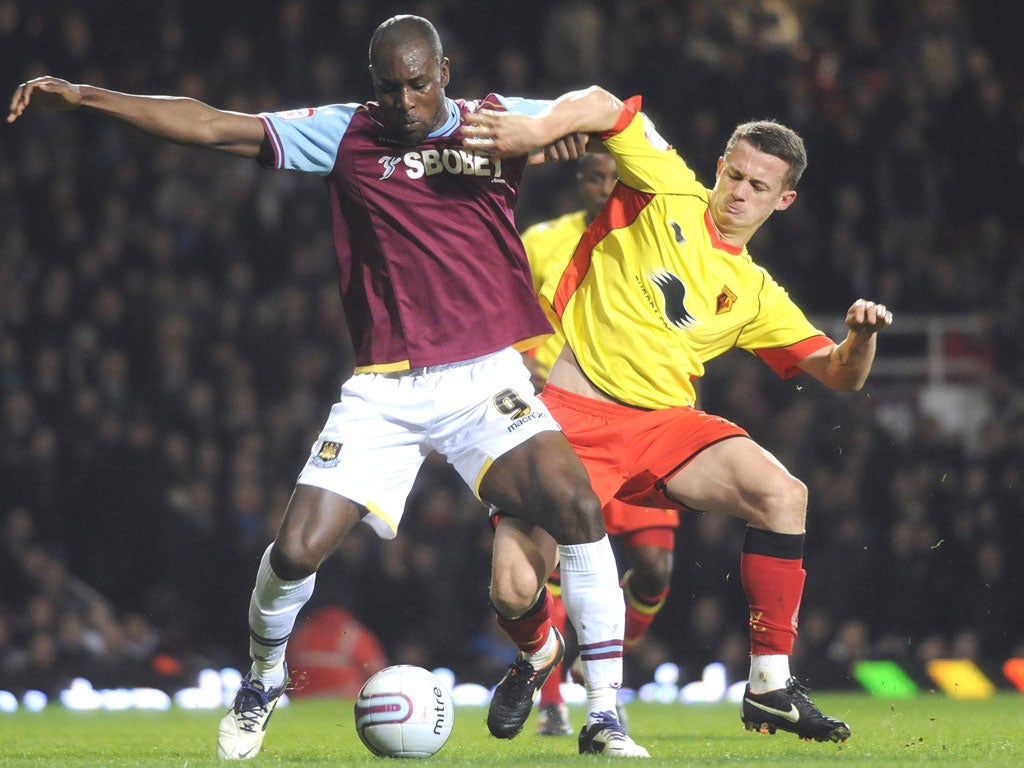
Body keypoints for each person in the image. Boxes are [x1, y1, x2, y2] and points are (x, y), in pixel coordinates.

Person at [7, 18, 648, 759]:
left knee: (576, 506)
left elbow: (606, 105)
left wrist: (559, 126)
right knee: (296, 552)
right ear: (371, 85)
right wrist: (86, 96)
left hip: (485, 378)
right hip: (387, 389)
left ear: (446, 69)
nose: (406, 101)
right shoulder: (346, 133)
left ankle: (604, 717)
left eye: (419, 82)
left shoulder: (496, 122)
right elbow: (215, 126)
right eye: (389, 87)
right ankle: (262, 679)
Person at [463, 85, 895, 743]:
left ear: (784, 200)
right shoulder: (667, 189)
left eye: (759, 185)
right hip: (571, 417)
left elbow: (839, 374)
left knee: (782, 494)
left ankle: (770, 686)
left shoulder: (753, 293)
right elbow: (605, 103)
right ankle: (539, 652)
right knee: (512, 585)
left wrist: (859, 338)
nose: (739, 192)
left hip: (663, 427)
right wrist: (537, 130)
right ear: (720, 165)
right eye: (735, 173)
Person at [520, 153, 680, 738]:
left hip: (637, 415)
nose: (607, 186)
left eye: (617, 177)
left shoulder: (659, 241)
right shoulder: (541, 240)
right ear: (579, 182)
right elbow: (504, 312)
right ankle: (553, 701)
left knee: (654, 569)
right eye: (595, 176)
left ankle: (597, 660)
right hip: (558, 416)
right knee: (557, 563)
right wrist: (519, 368)